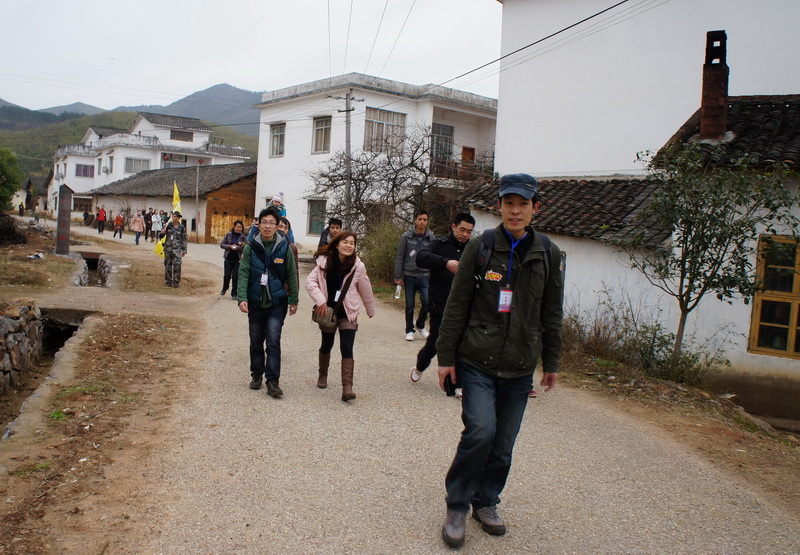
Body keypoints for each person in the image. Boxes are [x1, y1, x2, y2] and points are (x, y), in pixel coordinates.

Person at [436, 173, 564, 548]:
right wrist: (446, 357)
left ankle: (486, 500)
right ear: (500, 206)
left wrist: (552, 362)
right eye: (509, 203)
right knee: (480, 432)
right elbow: (456, 304)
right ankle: (457, 505)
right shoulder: (481, 247)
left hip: (520, 366)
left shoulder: (548, 253)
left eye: (523, 204)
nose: (515, 210)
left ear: (535, 208)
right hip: (477, 359)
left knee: (504, 443)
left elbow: (552, 313)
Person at [306, 231, 376, 401]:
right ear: (337, 244)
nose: (348, 245)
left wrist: (370, 309)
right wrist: (321, 300)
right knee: (326, 345)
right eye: (345, 242)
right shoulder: (324, 263)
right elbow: (310, 282)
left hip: (348, 312)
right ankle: (323, 375)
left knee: (347, 347)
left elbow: (365, 288)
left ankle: (347, 387)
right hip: (328, 313)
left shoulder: (358, 266)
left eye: (352, 243)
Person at [237, 206, 299, 397]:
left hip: (277, 303)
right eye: (264, 222)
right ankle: (256, 374)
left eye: (272, 222)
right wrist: (242, 297)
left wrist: (294, 299)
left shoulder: (284, 248)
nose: (268, 226)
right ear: (259, 224)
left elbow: (291, 274)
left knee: (273, 341)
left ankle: (273, 381)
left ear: (277, 226)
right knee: (256, 340)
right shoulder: (250, 247)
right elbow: (244, 272)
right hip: (256, 301)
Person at [410, 213, 475, 388]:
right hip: (441, 303)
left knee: (462, 344)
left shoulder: (474, 248)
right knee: (437, 342)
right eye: (462, 230)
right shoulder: (439, 245)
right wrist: (445, 263)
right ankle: (420, 366)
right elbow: (421, 258)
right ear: (453, 227)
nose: (465, 235)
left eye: (469, 232)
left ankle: (457, 383)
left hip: (466, 305)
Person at [394, 209, 434, 341]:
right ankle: (409, 330)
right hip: (409, 275)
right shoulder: (406, 236)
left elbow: (435, 257)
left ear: (427, 221)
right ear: (415, 220)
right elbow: (400, 256)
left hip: (424, 275)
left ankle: (421, 325)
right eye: (420, 219)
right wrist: (398, 276)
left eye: (425, 219)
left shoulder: (431, 237)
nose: (422, 222)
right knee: (409, 305)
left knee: (427, 301)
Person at [220, 220, 246, 299]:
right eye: (237, 227)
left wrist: (238, 247)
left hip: (237, 260)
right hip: (228, 259)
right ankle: (225, 288)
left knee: (236, 277)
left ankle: (234, 293)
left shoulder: (243, 237)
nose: (239, 229)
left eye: (240, 227)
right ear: (234, 227)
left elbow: (247, 247)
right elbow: (222, 244)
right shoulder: (228, 235)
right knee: (227, 276)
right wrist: (230, 246)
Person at [163, 211, 188, 287]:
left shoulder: (182, 228)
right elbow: (161, 236)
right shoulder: (168, 225)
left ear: (179, 218)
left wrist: (184, 250)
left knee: (177, 266)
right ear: (172, 217)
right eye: (174, 216)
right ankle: (168, 281)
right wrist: (163, 232)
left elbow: (184, 239)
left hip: (177, 249)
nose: (175, 218)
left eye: (177, 217)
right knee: (168, 265)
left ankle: (176, 281)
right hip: (168, 249)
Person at [278, 217, 299, 293]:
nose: (283, 230)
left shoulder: (292, 248)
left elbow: (295, 272)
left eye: (286, 228)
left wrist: (295, 292)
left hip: (285, 290)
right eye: (280, 226)